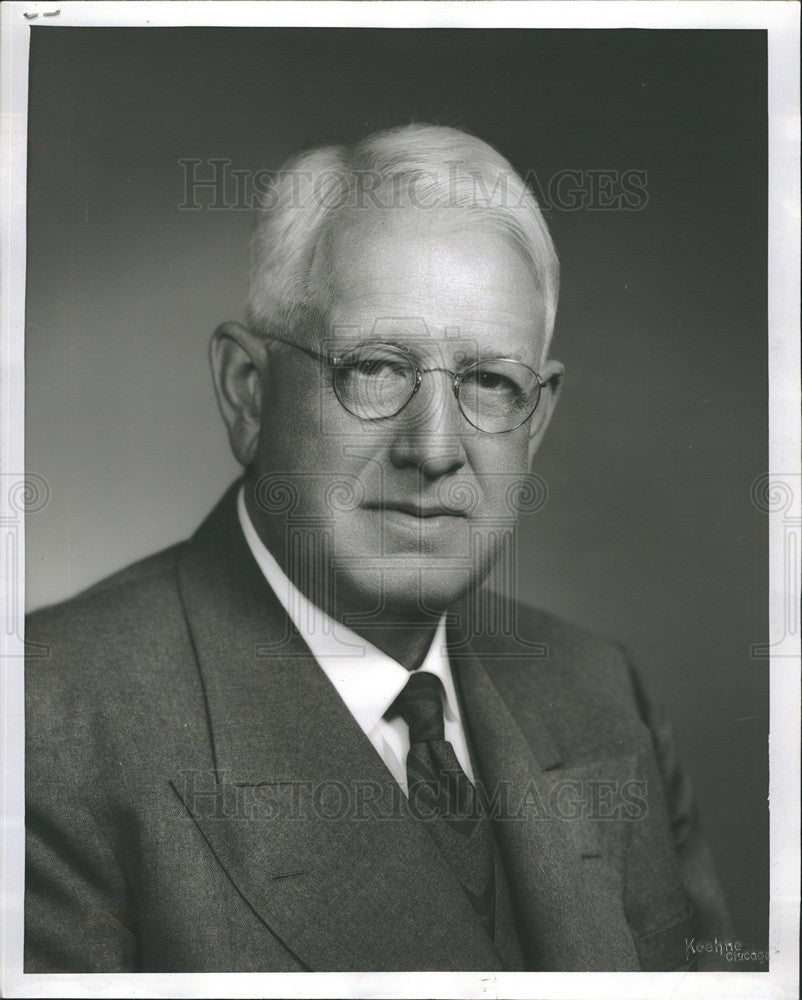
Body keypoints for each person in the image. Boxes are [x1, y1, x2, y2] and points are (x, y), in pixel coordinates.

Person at [25, 123, 732, 972]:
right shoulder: (42, 728)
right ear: (247, 392)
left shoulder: (601, 693)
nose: (434, 448)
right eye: (375, 368)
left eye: (490, 382)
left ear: (535, 419)